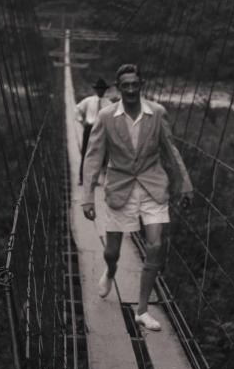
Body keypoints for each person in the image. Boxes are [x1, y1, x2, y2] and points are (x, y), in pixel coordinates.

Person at [81, 63, 193, 331]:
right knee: (112, 251)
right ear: (118, 88)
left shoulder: (157, 113)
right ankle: (110, 270)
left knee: (155, 246)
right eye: (125, 85)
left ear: (141, 85)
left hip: (153, 186)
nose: (131, 89)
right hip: (120, 188)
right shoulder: (107, 116)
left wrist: (185, 184)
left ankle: (142, 310)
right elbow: (93, 156)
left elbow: (170, 150)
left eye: (135, 84)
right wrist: (87, 195)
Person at [76, 78, 111, 186]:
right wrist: (82, 121)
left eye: (102, 89)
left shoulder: (109, 103)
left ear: (105, 90)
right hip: (89, 128)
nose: (100, 91)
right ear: (96, 90)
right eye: (99, 89)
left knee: (100, 154)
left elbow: (113, 117)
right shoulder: (88, 101)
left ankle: (94, 179)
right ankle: (82, 178)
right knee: (86, 152)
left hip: (101, 129)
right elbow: (77, 109)